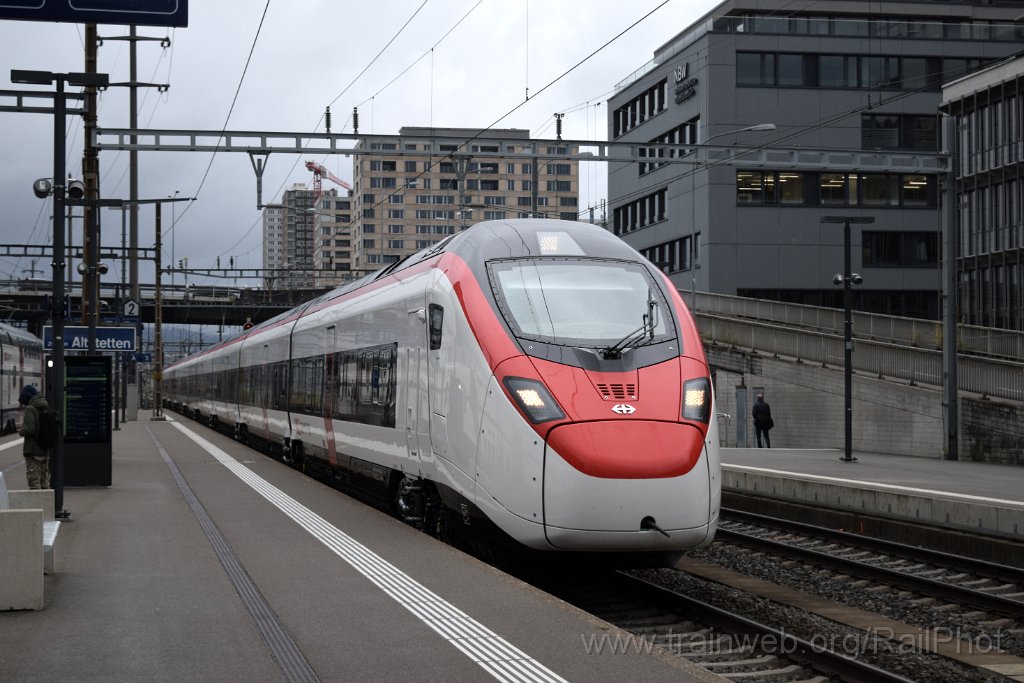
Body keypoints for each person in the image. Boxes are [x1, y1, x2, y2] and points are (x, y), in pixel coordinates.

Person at [19, 384, 51, 489]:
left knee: (34, 483)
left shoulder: (30, 408)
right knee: (44, 482)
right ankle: (47, 505)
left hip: (32, 450)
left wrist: (21, 431)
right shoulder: (44, 406)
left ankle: (37, 504)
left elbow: (30, 430)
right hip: (44, 449)